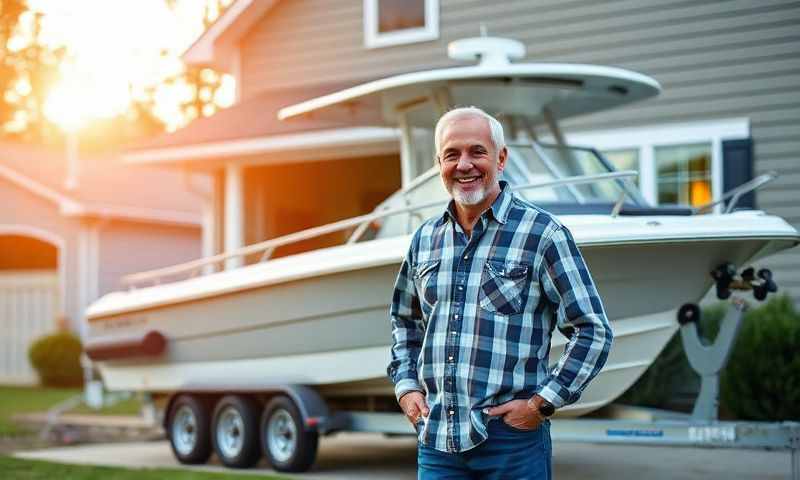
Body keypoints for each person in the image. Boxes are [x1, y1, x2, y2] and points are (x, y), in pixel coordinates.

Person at [387, 107, 613, 479]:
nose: (464, 165)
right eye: (452, 154)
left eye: (477, 152)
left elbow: (593, 330)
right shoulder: (425, 239)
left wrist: (542, 404)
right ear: (438, 163)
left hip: (512, 442)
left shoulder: (543, 234)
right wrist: (407, 388)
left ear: (501, 158)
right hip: (437, 440)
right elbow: (405, 321)